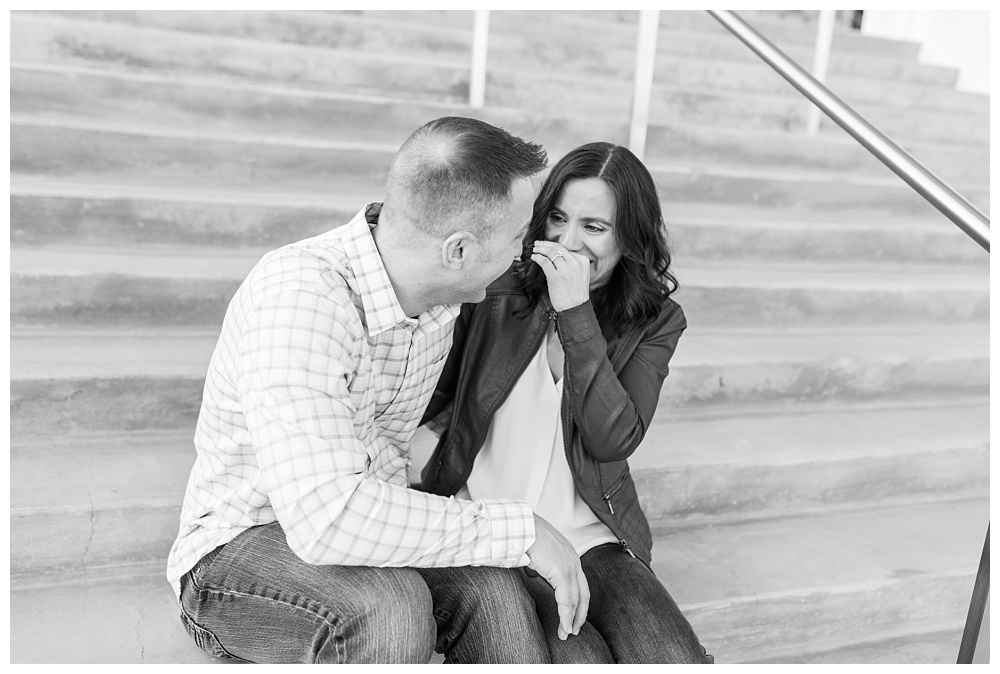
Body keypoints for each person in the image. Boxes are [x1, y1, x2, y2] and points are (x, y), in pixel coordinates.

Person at [165, 117, 592, 664]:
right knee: (388, 604)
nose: (522, 252)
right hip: (240, 550)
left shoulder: (438, 302)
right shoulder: (300, 297)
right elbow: (328, 518)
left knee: (495, 587)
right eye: (516, 236)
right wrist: (521, 525)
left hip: (364, 524)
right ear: (458, 251)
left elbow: (382, 476)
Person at [419, 142, 713, 663]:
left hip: (590, 530)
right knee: (583, 660)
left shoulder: (656, 320)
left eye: (593, 227)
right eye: (557, 218)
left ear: (630, 237)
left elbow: (612, 438)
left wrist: (576, 313)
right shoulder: (497, 288)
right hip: (492, 522)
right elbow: (433, 394)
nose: (567, 240)